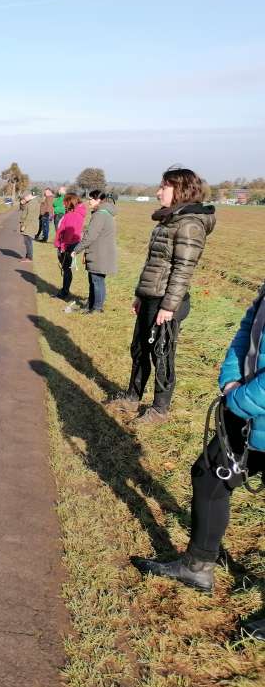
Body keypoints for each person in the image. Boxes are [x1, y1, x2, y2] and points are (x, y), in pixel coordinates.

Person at [133, 281, 265, 640]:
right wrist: (230, 381)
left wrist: (240, 401)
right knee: (209, 478)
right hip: (250, 409)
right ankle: (197, 565)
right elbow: (247, 329)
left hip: (250, 405)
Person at [109, 167, 216, 423]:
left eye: (163, 187)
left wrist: (168, 306)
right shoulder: (169, 219)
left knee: (162, 353)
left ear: (180, 190)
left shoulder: (190, 225)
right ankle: (132, 397)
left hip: (166, 302)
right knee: (139, 348)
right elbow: (153, 262)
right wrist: (140, 294)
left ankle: (159, 409)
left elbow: (183, 270)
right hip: (150, 296)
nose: (158, 192)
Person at [73, 191, 118, 314]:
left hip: (99, 253)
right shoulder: (106, 213)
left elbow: (90, 236)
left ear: (99, 200)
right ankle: (92, 305)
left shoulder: (100, 215)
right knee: (97, 280)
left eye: (91, 199)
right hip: (101, 252)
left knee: (96, 281)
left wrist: (76, 249)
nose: (89, 202)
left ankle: (96, 308)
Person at [54, 192, 85, 299]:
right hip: (70, 244)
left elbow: (69, 233)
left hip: (68, 245)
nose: (63, 204)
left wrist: (62, 246)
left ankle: (65, 292)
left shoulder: (72, 215)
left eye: (65, 202)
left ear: (69, 202)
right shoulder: (75, 213)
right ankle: (65, 290)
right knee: (66, 269)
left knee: (66, 269)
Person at [17, 191, 40, 262]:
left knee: (28, 241)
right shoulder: (30, 202)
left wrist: (24, 225)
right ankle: (28, 256)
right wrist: (22, 203)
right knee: (27, 241)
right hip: (29, 224)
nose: (24, 198)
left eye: (25, 197)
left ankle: (29, 258)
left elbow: (30, 216)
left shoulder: (33, 203)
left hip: (30, 225)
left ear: (29, 195)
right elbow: (23, 209)